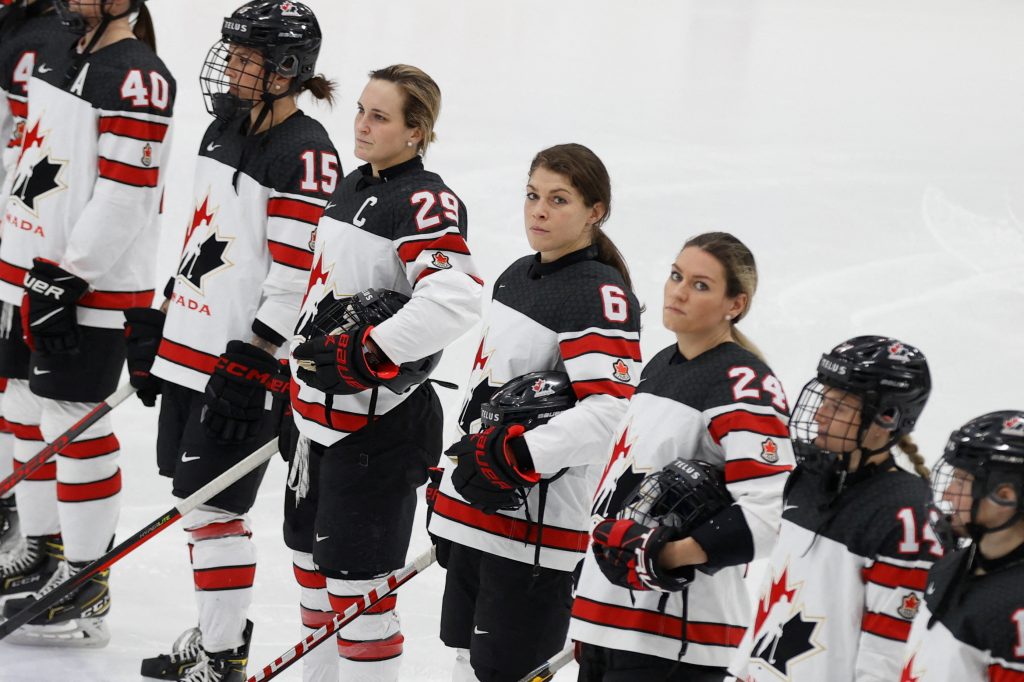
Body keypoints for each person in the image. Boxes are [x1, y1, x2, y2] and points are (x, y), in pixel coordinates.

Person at [127, 3, 338, 681]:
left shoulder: (306, 153)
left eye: (250, 59)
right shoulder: (223, 129)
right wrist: (164, 319)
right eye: (235, 54)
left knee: (213, 509)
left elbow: (294, 272)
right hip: (193, 349)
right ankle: (221, 633)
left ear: (287, 70)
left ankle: (222, 658)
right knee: (194, 504)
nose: (234, 68)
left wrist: (256, 357)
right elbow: (202, 234)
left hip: (241, 365)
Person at [284, 63, 483, 682]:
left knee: (360, 598)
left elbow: (455, 299)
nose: (362, 126)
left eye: (380, 116)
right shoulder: (352, 185)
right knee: (312, 582)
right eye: (361, 111)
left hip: (376, 431)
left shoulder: (424, 200)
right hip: (314, 422)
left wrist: (370, 352)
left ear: (417, 130)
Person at [426, 142, 643, 682]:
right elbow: (487, 392)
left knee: (504, 673)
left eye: (558, 199)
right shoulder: (517, 274)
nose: (539, 211)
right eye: (532, 195)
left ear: (595, 211)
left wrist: (518, 455)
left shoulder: (599, 295)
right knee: (462, 657)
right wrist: (452, 484)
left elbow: (611, 413)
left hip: (534, 531)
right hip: (478, 507)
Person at [0, 0, 172, 647]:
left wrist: (70, 272)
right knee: (25, 408)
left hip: (83, 284)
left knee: (72, 419)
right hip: (28, 265)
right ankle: (46, 553)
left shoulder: (137, 76)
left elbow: (126, 191)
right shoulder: (57, 50)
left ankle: (86, 579)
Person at [568, 232, 795, 682]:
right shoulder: (659, 366)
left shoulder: (743, 383)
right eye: (676, 276)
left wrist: (670, 556)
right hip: (609, 621)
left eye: (701, 284)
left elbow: (773, 509)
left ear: (736, 304)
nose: (679, 291)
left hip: (677, 638)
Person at [729, 336, 939, 682]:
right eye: (823, 400)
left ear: (886, 419)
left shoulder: (908, 514)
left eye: (838, 407)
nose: (820, 414)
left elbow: (887, 654)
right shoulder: (808, 480)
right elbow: (775, 604)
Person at [0, 0, 69, 559]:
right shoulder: (21, 26)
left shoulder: (48, 36)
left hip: (25, 241)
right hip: (17, 231)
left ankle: (19, 515)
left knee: (18, 391)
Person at [900, 411, 1024, 681]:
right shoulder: (949, 567)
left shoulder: (1018, 612)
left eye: (961, 481)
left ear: (1005, 497)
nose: (947, 493)